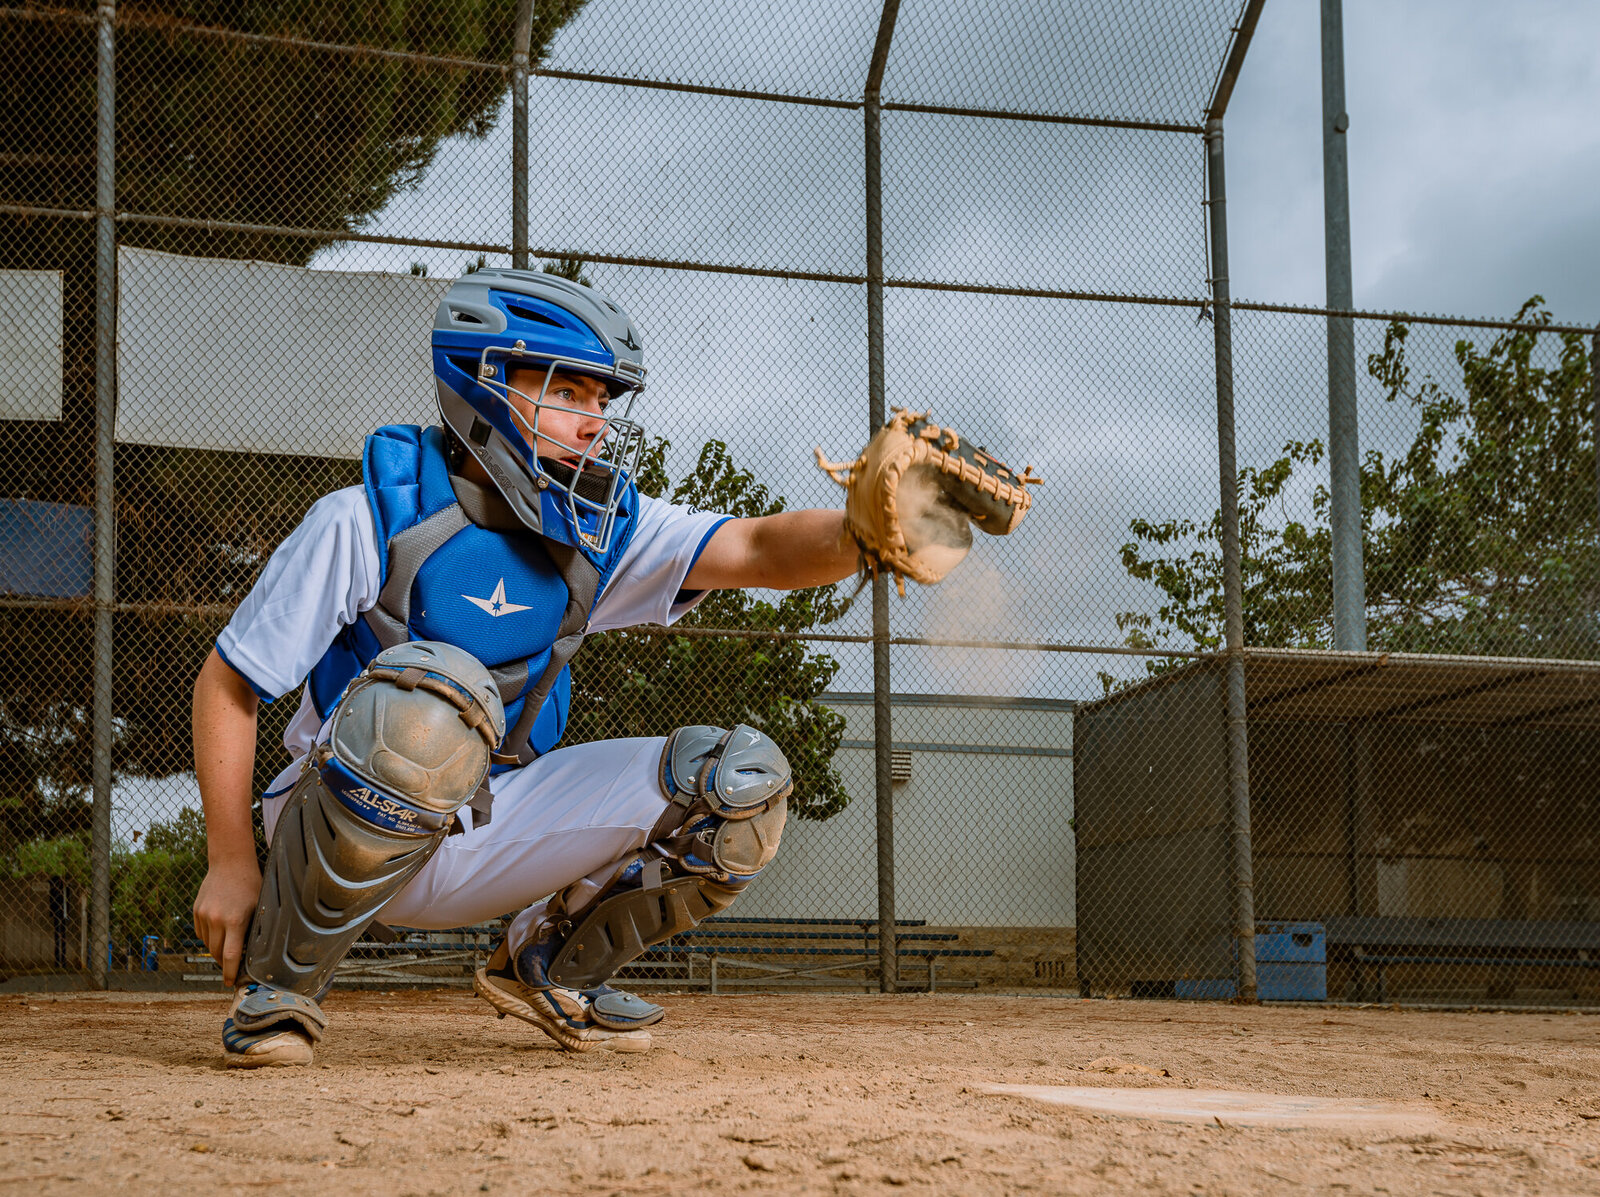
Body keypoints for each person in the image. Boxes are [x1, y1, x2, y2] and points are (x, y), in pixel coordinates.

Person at [191, 268, 860, 1067]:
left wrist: (869, 534)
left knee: (739, 781)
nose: (594, 424)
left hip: (487, 821)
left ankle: (547, 961)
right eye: (570, 393)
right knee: (439, 694)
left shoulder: (599, 528)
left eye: (603, 402)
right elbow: (229, 683)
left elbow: (754, 547)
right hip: (343, 813)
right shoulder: (365, 517)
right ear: (484, 382)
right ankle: (281, 985)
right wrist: (231, 860)